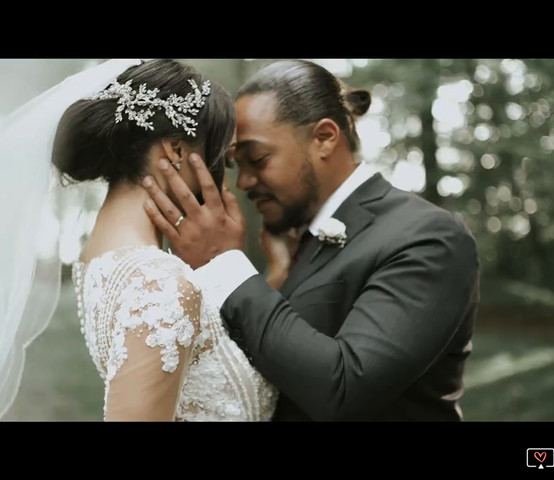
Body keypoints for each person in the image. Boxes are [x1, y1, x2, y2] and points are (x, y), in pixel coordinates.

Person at [142, 59, 480, 421]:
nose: (244, 182)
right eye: (240, 165)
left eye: (258, 158)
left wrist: (224, 262)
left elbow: (345, 388)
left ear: (324, 138)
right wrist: (276, 280)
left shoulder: (427, 236)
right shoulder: (301, 243)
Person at [52, 59, 276, 421]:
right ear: (175, 151)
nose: (226, 179)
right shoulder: (161, 284)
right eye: (222, 158)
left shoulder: (102, 262)